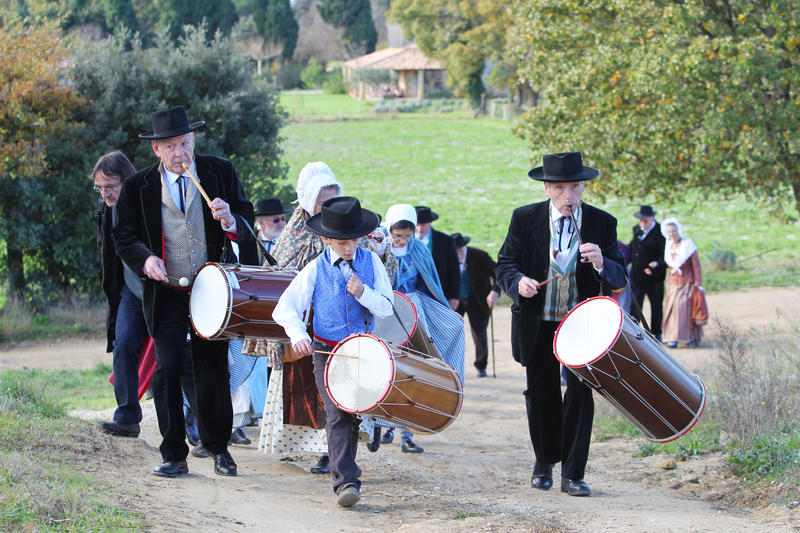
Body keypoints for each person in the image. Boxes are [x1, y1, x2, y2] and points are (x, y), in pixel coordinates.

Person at [113, 105, 254, 478]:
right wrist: (146, 260)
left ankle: (218, 448)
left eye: (185, 143)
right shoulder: (137, 187)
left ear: (194, 141)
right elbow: (123, 236)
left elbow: (246, 216)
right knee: (168, 367)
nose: (180, 153)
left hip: (211, 291)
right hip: (166, 291)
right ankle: (174, 453)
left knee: (212, 369)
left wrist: (231, 221)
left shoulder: (219, 172)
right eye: (171, 146)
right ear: (156, 149)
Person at [495, 152, 626, 497]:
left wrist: (602, 263)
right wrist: (518, 282)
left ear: (583, 187)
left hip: (582, 325)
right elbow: (505, 264)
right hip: (538, 323)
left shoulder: (602, 222)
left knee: (581, 394)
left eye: (575, 187)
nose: (569, 195)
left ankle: (573, 473)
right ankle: (544, 461)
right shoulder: (525, 218)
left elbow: (619, 276)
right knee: (541, 395)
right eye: (560, 188)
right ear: (547, 189)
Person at [273, 196, 393, 508]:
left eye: (354, 240)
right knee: (337, 412)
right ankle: (346, 482)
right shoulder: (314, 269)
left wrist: (364, 293)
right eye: (341, 242)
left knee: (352, 412)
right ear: (326, 239)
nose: (349, 248)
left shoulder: (372, 263)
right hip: (325, 351)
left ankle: (349, 465)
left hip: (363, 349)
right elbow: (284, 308)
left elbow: (387, 307)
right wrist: (298, 334)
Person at [93, 151, 152, 438]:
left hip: (160, 286)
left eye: (110, 186)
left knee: (177, 355)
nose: (105, 193)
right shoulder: (106, 210)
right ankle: (127, 418)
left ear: (126, 181)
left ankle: (199, 429)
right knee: (124, 343)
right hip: (130, 289)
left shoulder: (147, 202)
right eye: (99, 188)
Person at [451, 232, 501, 378]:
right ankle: (451, 366)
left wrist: (495, 291)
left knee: (479, 332)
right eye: (454, 251)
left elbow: (498, 272)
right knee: (451, 331)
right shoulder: (448, 257)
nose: (457, 254)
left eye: (459, 250)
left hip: (477, 298)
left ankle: (481, 365)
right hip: (456, 298)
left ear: (464, 247)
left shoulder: (479, 255)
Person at [661, 218, 705, 348]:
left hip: (687, 283)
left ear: (678, 230)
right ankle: (672, 337)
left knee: (684, 308)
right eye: (669, 232)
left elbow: (696, 266)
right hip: (672, 283)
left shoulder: (688, 245)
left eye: (673, 231)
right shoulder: (668, 245)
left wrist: (698, 283)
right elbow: (668, 265)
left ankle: (688, 336)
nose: (672, 234)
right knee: (670, 309)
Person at [629, 205, 666, 340]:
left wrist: (655, 267)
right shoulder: (637, 229)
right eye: (641, 220)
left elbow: (664, 255)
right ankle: (634, 331)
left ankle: (656, 333)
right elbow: (633, 248)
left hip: (654, 278)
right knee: (635, 305)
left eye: (646, 220)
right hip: (637, 276)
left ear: (652, 218)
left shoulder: (661, 232)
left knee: (656, 305)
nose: (643, 223)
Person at [414, 206, 461, 311]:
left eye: (423, 224)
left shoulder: (446, 241)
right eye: (417, 224)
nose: (420, 228)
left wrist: (454, 296)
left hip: (439, 294)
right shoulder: (404, 240)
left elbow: (454, 270)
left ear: (430, 223)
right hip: (412, 295)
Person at [253, 197, 291, 262]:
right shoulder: (249, 243)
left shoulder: (290, 241)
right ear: (262, 223)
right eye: (276, 220)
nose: (281, 223)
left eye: (283, 219)